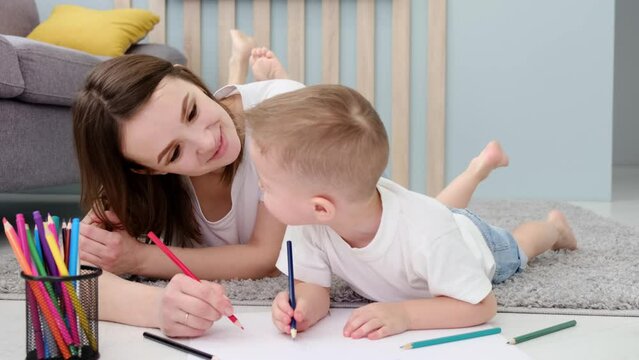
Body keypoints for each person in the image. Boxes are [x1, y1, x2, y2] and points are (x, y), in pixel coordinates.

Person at [73, 32, 505, 338]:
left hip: (385, 222)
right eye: (173, 154)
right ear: (146, 171)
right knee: (442, 214)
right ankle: (474, 172)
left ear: (187, 77)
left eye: (191, 111)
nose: (207, 142)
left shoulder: (277, 121)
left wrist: (142, 260)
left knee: (446, 221)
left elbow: (264, 257)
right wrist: (152, 303)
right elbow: (67, 280)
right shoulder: (136, 177)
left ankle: (484, 182)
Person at [242, 84, 578, 340]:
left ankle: (554, 229)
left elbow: (481, 306)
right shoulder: (308, 223)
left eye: (265, 184)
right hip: (433, 224)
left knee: (518, 247)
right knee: (439, 210)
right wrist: (300, 307)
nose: (259, 190)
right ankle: (476, 170)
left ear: (321, 207)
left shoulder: (428, 232)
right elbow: (315, 288)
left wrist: (405, 315)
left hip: (472, 241)